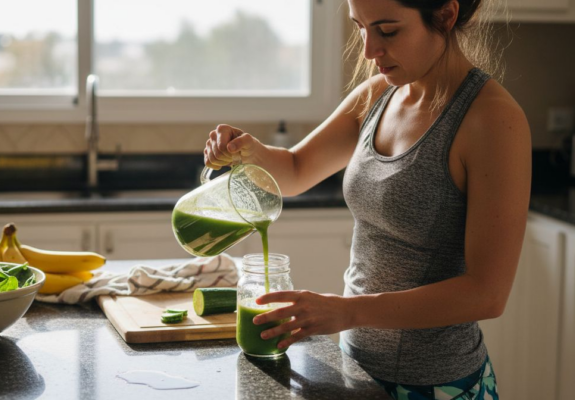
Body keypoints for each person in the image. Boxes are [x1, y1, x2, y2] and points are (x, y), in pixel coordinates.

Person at [203, 0, 530, 398]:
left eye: (388, 31)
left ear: (444, 16)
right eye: (360, 27)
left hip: (438, 384)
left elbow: (487, 293)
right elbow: (294, 169)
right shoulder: (378, 94)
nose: (369, 50)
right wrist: (246, 149)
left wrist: (346, 311)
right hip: (355, 367)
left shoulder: (493, 120)